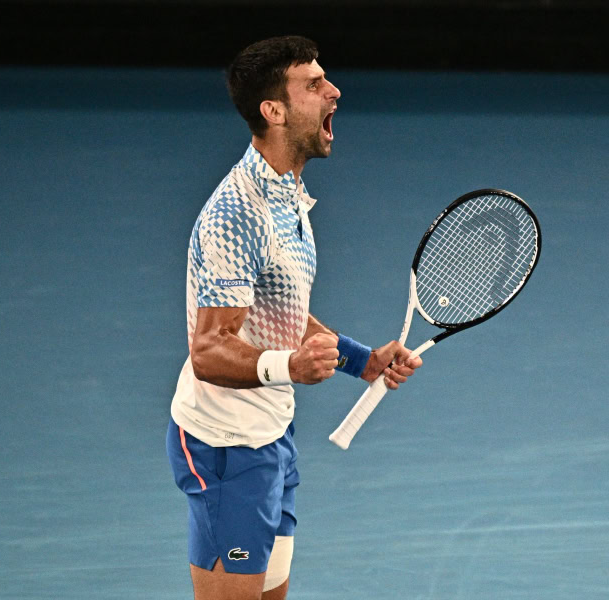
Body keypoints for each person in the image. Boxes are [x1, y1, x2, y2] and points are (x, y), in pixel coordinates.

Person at [166, 36, 422, 600]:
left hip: (271, 437)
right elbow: (208, 351)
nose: (334, 91)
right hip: (225, 447)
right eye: (314, 85)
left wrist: (362, 361)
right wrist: (290, 365)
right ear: (273, 111)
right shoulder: (235, 216)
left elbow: (282, 307)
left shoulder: (287, 193)